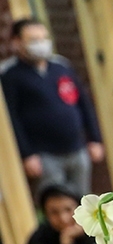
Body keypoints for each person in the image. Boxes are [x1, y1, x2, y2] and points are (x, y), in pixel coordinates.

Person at [2, 18, 104, 197]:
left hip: (77, 148)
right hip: (45, 155)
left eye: (43, 38)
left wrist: (94, 138)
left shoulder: (61, 66)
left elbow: (83, 103)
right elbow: (12, 118)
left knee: (83, 201)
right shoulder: (11, 74)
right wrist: (27, 154)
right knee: (57, 202)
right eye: (33, 40)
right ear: (17, 42)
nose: (40, 44)